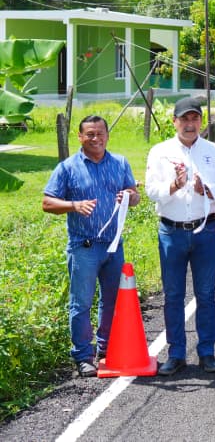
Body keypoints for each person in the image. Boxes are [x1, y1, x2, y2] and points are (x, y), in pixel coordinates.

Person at [43, 115, 140, 377]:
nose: (95, 138)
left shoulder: (120, 163)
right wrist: (74, 205)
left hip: (113, 246)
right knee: (81, 303)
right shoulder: (67, 167)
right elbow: (47, 203)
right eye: (90, 134)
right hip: (83, 247)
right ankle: (83, 355)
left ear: (107, 135)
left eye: (100, 133)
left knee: (112, 300)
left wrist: (130, 196)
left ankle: (107, 348)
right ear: (80, 136)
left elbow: (135, 196)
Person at [145, 97, 215, 376]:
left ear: (201, 122)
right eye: (184, 119)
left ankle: (207, 351)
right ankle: (176, 352)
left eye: (195, 119)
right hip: (171, 230)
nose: (190, 124)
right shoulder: (159, 152)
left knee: (206, 294)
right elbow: (151, 191)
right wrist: (174, 185)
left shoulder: (213, 152)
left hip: (205, 230)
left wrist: (203, 189)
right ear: (175, 122)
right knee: (173, 295)